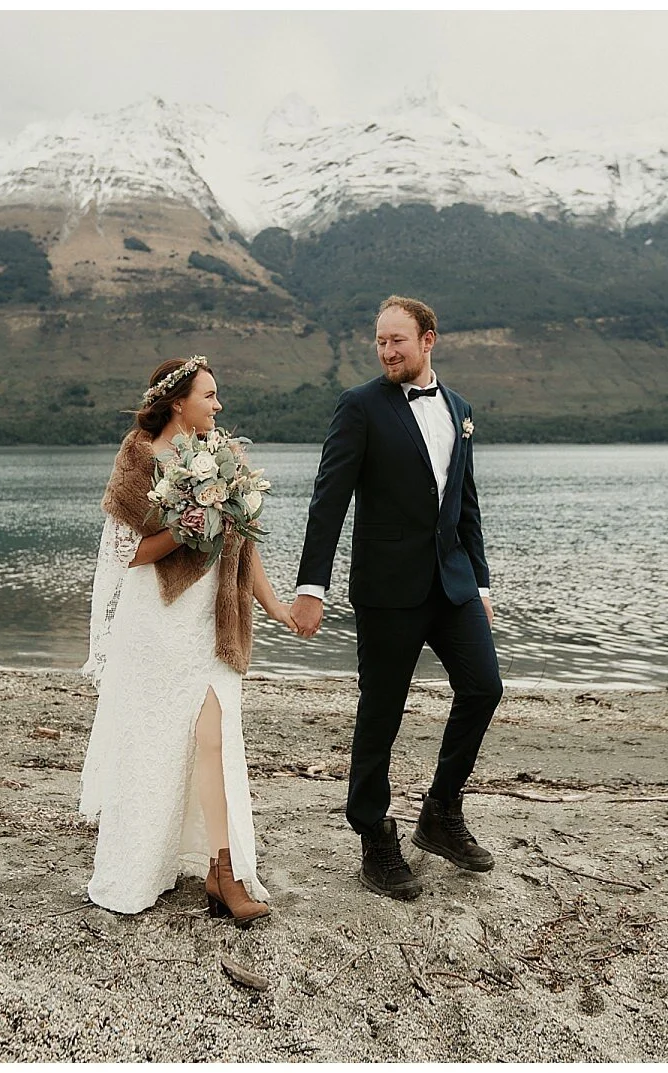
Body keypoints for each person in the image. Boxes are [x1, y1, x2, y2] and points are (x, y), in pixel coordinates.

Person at [291, 295, 503, 901]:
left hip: (453, 583)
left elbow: (465, 504)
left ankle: (440, 812)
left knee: (484, 687)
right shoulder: (359, 406)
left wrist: (481, 583)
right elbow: (328, 500)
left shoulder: (459, 408)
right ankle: (373, 836)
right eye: (380, 341)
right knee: (381, 711)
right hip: (387, 589)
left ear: (428, 339)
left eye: (397, 341)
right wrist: (311, 587)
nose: (386, 352)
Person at [80, 355, 297, 922]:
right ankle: (140, 866)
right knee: (154, 746)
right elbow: (128, 554)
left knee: (215, 740)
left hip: (214, 622)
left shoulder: (225, 459)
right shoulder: (138, 458)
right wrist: (183, 528)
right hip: (156, 625)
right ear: (179, 403)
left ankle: (224, 871)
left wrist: (276, 606)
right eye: (209, 395)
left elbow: (244, 544)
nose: (218, 405)